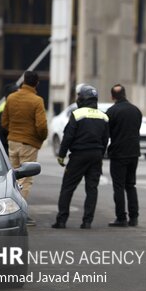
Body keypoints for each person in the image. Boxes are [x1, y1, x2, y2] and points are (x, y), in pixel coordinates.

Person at [52, 84, 109, 229]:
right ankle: (87, 221)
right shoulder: (103, 116)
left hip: (78, 156)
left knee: (67, 188)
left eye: (79, 97)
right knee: (92, 189)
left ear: (83, 99)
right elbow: (105, 139)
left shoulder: (77, 114)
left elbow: (68, 137)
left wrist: (61, 155)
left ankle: (61, 220)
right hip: (96, 156)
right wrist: (100, 156)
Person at [1, 71, 48, 226]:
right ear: (37, 83)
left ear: (24, 81)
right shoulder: (37, 101)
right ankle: (19, 212)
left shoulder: (11, 97)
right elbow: (41, 126)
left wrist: (13, 132)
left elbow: (4, 121)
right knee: (26, 179)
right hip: (29, 143)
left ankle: (9, 210)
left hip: (13, 141)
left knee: (13, 178)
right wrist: (39, 138)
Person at [106, 84, 143, 227]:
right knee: (131, 185)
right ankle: (134, 218)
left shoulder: (111, 111)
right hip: (134, 153)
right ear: (125, 94)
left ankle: (121, 218)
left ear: (112, 96)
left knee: (119, 187)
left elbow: (107, 133)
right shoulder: (136, 111)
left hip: (118, 154)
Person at [0, 83, 19, 155]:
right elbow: (3, 129)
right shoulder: (3, 108)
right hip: (6, 147)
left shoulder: (14, 106)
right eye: (17, 93)